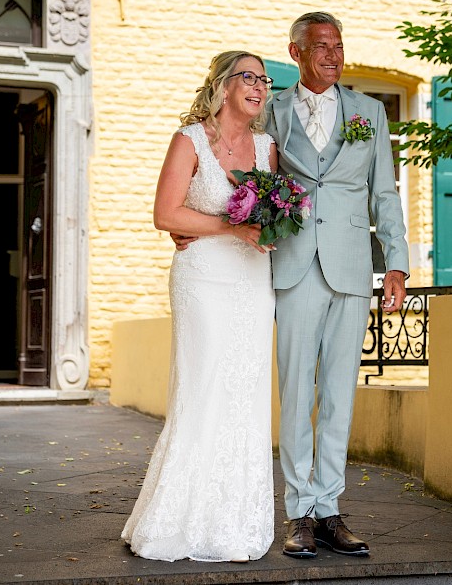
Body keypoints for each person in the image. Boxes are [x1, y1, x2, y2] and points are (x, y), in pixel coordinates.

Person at [122, 50, 278, 563]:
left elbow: (269, 213)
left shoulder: (266, 147)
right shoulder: (189, 140)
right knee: (203, 385)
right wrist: (232, 228)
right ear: (223, 85)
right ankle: (176, 518)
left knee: (246, 391)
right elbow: (166, 214)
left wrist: (272, 228)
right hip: (203, 277)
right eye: (248, 77)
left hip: (253, 279)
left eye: (264, 79)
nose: (258, 86)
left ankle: (235, 522)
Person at [267, 12, 409, 558]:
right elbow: (258, 179)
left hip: (351, 266)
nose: (332, 55)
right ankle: (298, 511)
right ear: (296, 52)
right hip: (296, 264)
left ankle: (329, 508)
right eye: (320, 46)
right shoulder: (274, 112)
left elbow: (385, 195)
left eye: (338, 46)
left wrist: (395, 263)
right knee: (296, 390)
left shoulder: (370, 112)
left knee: (340, 397)